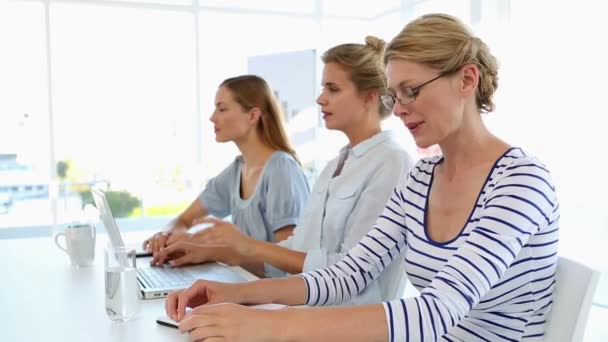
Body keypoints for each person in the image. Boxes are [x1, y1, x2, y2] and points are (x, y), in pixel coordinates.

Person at [164, 14, 560, 341]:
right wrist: (234, 294)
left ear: (467, 80)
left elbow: (435, 312)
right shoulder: (421, 179)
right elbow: (348, 274)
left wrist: (267, 324)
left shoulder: (521, 182)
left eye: (411, 91)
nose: (400, 108)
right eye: (395, 94)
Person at [152, 37, 415, 302]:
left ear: (370, 97)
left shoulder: (391, 162)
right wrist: (215, 252)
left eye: (332, 89)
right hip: (306, 313)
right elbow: (295, 252)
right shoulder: (336, 165)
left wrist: (245, 248)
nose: (320, 99)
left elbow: (349, 271)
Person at [143, 75, 310, 256]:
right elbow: (183, 219)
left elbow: (288, 262)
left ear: (253, 116)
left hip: (269, 284)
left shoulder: (281, 169)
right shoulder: (237, 170)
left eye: (222, 109)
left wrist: (211, 252)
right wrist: (164, 235)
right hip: (243, 282)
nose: (212, 118)